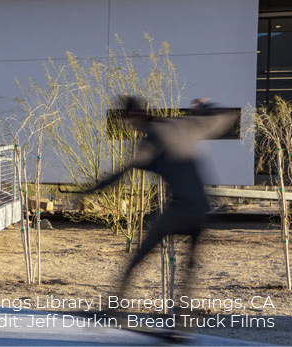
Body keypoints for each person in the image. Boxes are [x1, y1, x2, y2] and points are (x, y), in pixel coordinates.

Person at [85, 96, 238, 309]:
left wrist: (91, 190)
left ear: (135, 117)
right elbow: (226, 117)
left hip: (180, 208)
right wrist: (206, 107)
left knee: (138, 257)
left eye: (130, 121)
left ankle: (113, 308)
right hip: (202, 208)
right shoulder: (179, 125)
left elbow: (123, 173)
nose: (131, 127)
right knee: (190, 268)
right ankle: (180, 322)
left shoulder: (150, 139)